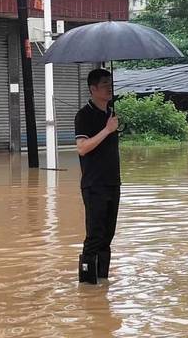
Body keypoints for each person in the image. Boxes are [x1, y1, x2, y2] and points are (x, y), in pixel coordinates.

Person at [74, 69, 121, 284]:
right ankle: (86, 284)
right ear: (93, 89)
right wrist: (107, 131)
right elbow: (82, 148)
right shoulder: (84, 115)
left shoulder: (111, 114)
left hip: (113, 183)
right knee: (95, 236)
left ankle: (102, 282)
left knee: (107, 237)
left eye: (110, 82)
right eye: (104, 84)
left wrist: (111, 126)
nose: (109, 87)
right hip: (94, 185)